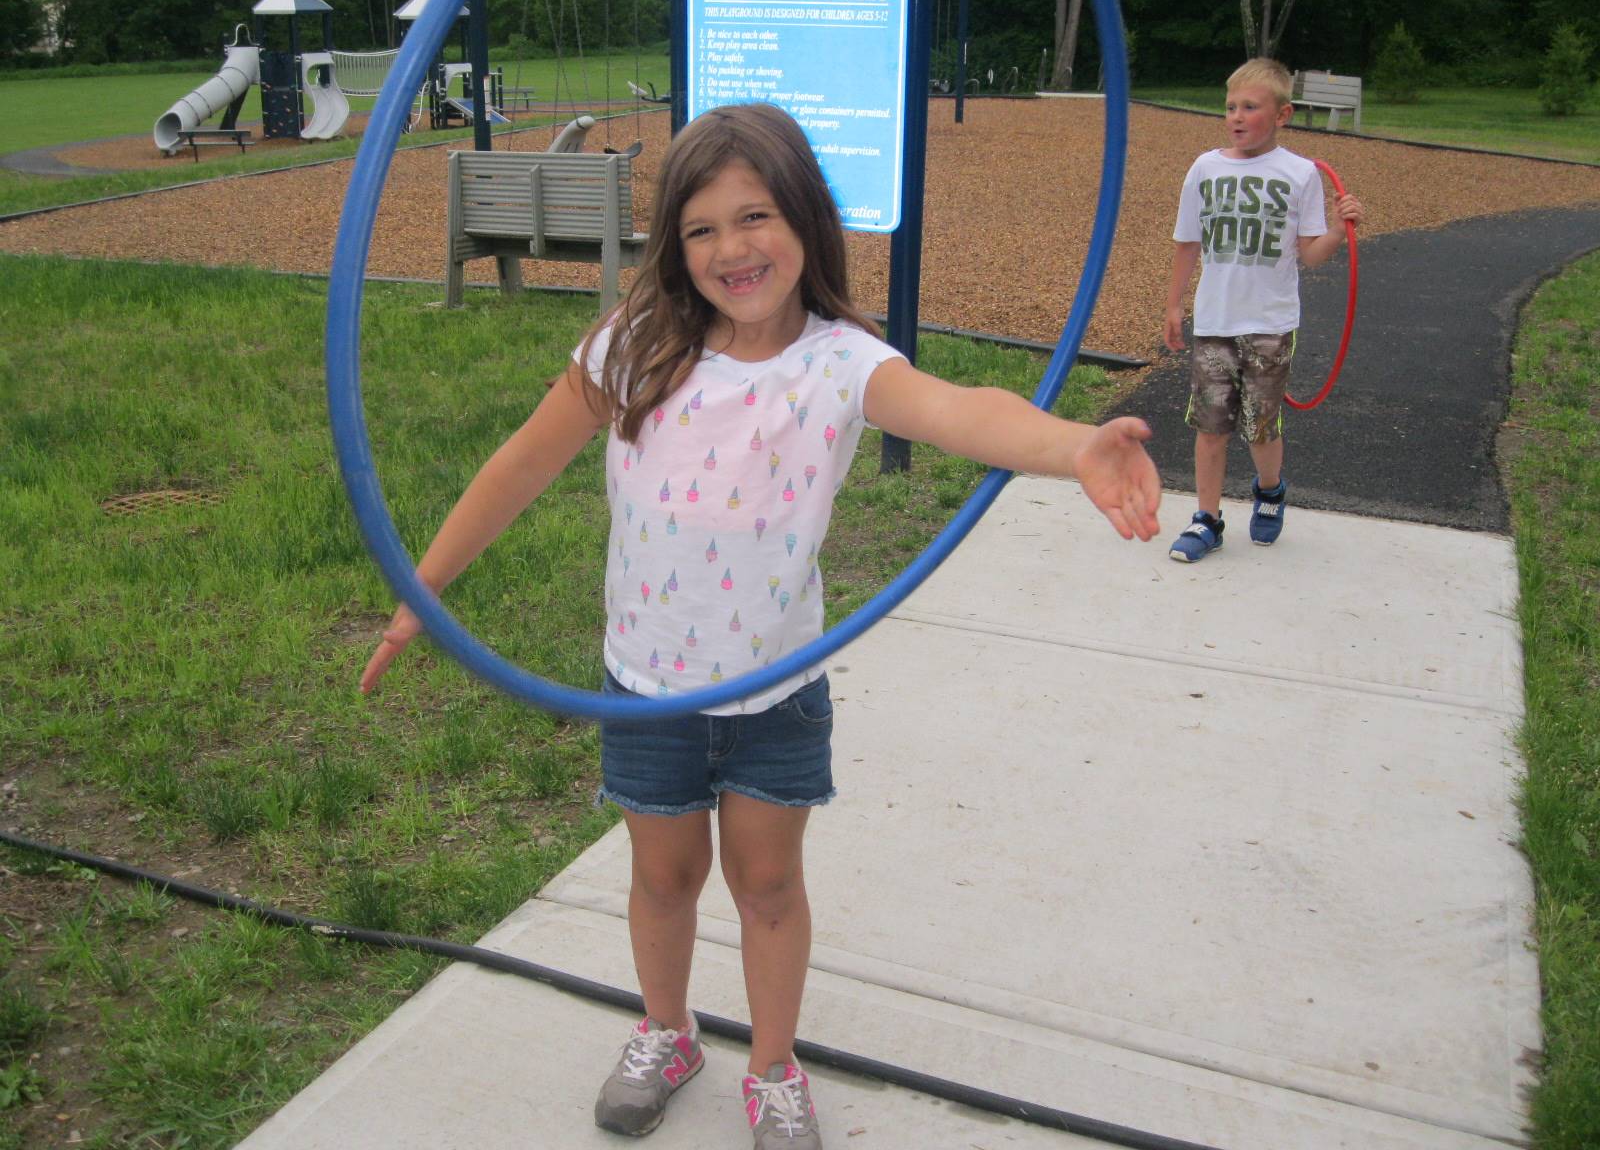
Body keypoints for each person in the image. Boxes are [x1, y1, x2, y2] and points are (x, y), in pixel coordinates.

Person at [359, 102, 1162, 1148]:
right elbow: (520, 463)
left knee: (769, 883)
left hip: (775, 690)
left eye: (754, 218)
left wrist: (1072, 447)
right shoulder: (633, 345)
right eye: (699, 229)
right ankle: (666, 1029)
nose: (731, 250)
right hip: (646, 683)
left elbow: (966, 409)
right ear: (672, 246)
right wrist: (423, 592)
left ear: (804, 221)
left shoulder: (838, 364)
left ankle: (774, 1065)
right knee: (661, 876)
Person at [1162, 57, 1364, 563]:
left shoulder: (1300, 174)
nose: (1236, 116)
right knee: (1211, 426)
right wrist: (1173, 305)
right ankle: (1206, 519)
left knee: (1260, 425)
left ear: (1282, 114)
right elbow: (1187, 241)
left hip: (1270, 323)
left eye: (1250, 106)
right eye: (1230, 106)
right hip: (1214, 321)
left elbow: (1311, 253)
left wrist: (1339, 229)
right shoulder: (1205, 168)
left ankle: (1270, 491)